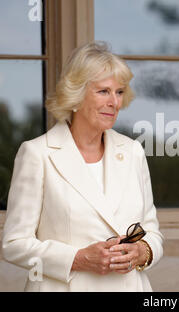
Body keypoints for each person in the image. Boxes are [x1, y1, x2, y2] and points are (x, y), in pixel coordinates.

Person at [1, 41, 163, 291]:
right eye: (103, 92)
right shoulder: (37, 154)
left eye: (119, 92)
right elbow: (14, 244)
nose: (115, 102)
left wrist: (142, 252)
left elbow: (151, 231)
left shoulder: (132, 152)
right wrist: (77, 259)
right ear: (75, 95)